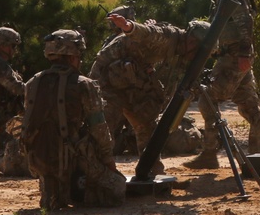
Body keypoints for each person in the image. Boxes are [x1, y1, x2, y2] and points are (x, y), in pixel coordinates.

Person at [183, 0, 260, 169]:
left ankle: (210, 154)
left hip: (234, 57)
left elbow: (245, 21)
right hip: (232, 55)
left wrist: (243, 54)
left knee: (208, 100)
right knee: (249, 105)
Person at [90, 14, 209, 174]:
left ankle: (152, 171)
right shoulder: (168, 37)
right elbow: (147, 32)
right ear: (192, 42)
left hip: (133, 78)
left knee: (146, 123)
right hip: (109, 73)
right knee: (105, 122)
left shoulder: (182, 52)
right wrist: (128, 26)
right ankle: (94, 173)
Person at [21, 29, 126, 210]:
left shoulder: (32, 83)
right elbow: (99, 128)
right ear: (72, 55)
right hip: (74, 156)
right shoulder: (84, 84)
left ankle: (54, 190)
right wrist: (109, 162)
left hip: (39, 157)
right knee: (118, 187)